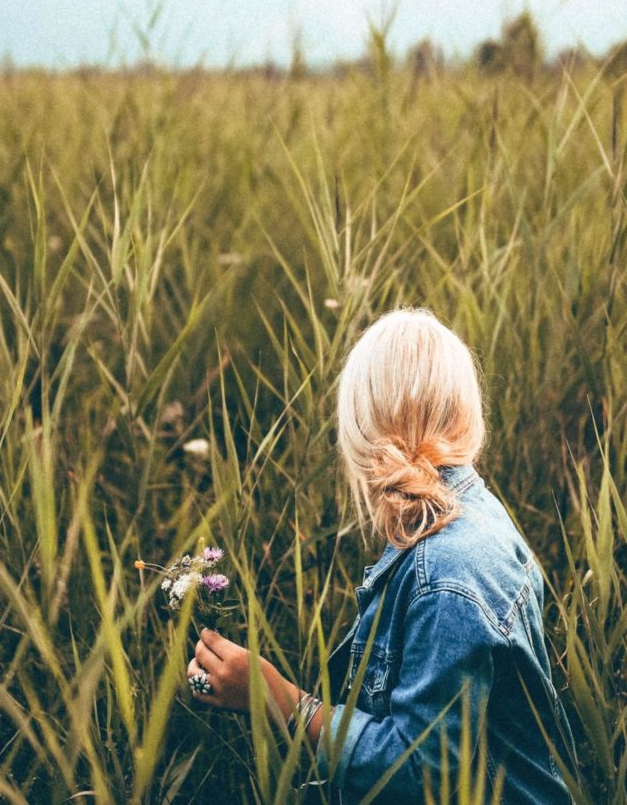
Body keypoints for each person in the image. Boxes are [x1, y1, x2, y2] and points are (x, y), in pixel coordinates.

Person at [186, 307, 576, 803]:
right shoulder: (474, 516)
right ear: (465, 414)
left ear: (361, 429)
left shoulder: (446, 572)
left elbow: (423, 776)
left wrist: (279, 698)